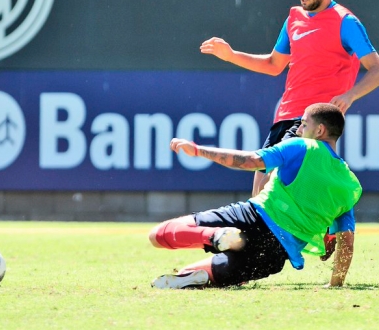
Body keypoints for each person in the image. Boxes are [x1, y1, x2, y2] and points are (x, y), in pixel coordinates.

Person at [200, 0, 379, 198]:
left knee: (269, 186)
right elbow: (273, 64)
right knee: (260, 193)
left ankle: (322, 230)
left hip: (312, 121)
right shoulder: (293, 19)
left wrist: (350, 95)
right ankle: (327, 231)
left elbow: (378, 70)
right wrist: (231, 55)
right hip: (284, 116)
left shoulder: (346, 22)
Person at [148, 103, 362, 289]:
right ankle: (208, 268)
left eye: (304, 124)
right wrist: (336, 282)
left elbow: (251, 161)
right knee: (192, 273)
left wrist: (199, 150)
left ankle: (216, 237)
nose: (299, 130)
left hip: (251, 217)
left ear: (320, 130)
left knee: (158, 235)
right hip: (274, 255)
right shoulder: (349, 184)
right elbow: (346, 242)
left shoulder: (302, 146)